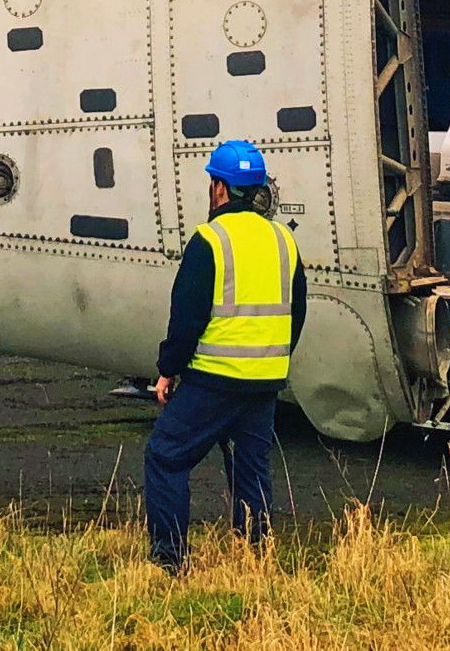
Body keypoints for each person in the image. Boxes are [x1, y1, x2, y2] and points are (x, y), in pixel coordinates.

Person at [143, 138, 307, 573]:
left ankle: (169, 560)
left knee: (166, 456)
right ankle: (255, 557)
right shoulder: (283, 239)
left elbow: (186, 318)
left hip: (214, 378)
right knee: (251, 470)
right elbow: (298, 312)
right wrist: (271, 357)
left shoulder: (209, 240)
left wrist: (168, 371)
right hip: (265, 380)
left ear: (218, 188)